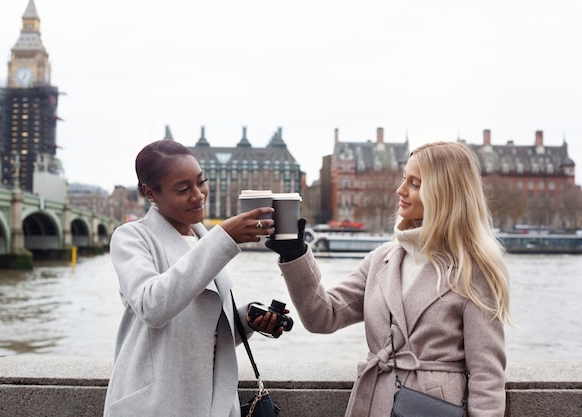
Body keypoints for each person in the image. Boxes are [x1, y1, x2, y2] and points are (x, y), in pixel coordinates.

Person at [266, 141, 512, 417]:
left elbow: (487, 376)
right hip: (375, 403)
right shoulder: (382, 259)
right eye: (404, 178)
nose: (400, 190)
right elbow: (323, 316)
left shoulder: (474, 270)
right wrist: (295, 255)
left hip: (432, 409)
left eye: (415, 183)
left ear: (445, 194)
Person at [103, 139, 286, 417]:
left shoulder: (202, 237)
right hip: (156, 404)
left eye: (202, 182)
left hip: (212, 401)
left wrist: (247, 320)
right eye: (183, 189)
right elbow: (152, 307)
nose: (198, 195)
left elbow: (201, 332)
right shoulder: (131, 237)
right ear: (150, 192)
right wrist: (222, 238)